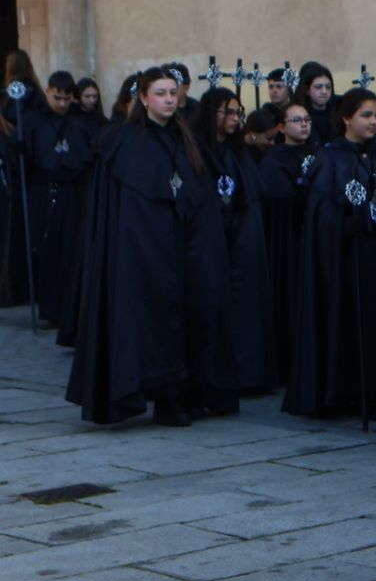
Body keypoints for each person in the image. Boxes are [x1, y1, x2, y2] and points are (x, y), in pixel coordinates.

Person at [66, 66, 226, 427]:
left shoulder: (186, 138)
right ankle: (157, 395)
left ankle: (181, 395)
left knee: (188, 316)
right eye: (160, 93)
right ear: (142, 98)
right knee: (148, 324)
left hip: (183, 248)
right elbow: (119, 208)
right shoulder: (123, 141)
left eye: (173, 93)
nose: (169, 99)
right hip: (142, 251)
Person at [285, 88, 376, 419]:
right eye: (366, 115)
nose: (373, 122)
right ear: (346, 118)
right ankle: (344, 391)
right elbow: (318, 212)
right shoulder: (330, 158)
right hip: (344, 258)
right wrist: (342, 223)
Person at [193, 87, 273, 396]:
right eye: (227, 111)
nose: (234, 118)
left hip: (239, 238)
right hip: (211, 237)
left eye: (237, 112)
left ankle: (246, 373)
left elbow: (248, 193)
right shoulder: (198, 149)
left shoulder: (238, 151)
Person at [20, 71, 98, 326]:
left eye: (67, 99)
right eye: (57, 98)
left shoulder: (79, 122)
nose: (62, 104)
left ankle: (71, 308)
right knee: (47, 249)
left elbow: (88, 155)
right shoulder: (33, 121)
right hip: (44, 191)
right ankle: (50, 308)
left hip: (73, 193)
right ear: (47, 91)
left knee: (71, 249)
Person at [256, 101, 316, 386]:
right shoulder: (274, 160)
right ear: (282, 127)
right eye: (296, 120)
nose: (303, 125)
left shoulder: (320, 153)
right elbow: (280, 197)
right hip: (290, 239)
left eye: (306, 120)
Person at [1, 49, 47, 307]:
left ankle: (19, 287)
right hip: (32, 171)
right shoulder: (37, 96)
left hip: (20, 172)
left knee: (17, 231)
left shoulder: (14, 97)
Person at [292, 61, 338, 145]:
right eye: (318, 87)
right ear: (307, 90)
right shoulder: (298, 114)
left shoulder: (338, 109)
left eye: (328, 87)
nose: (324, 91)